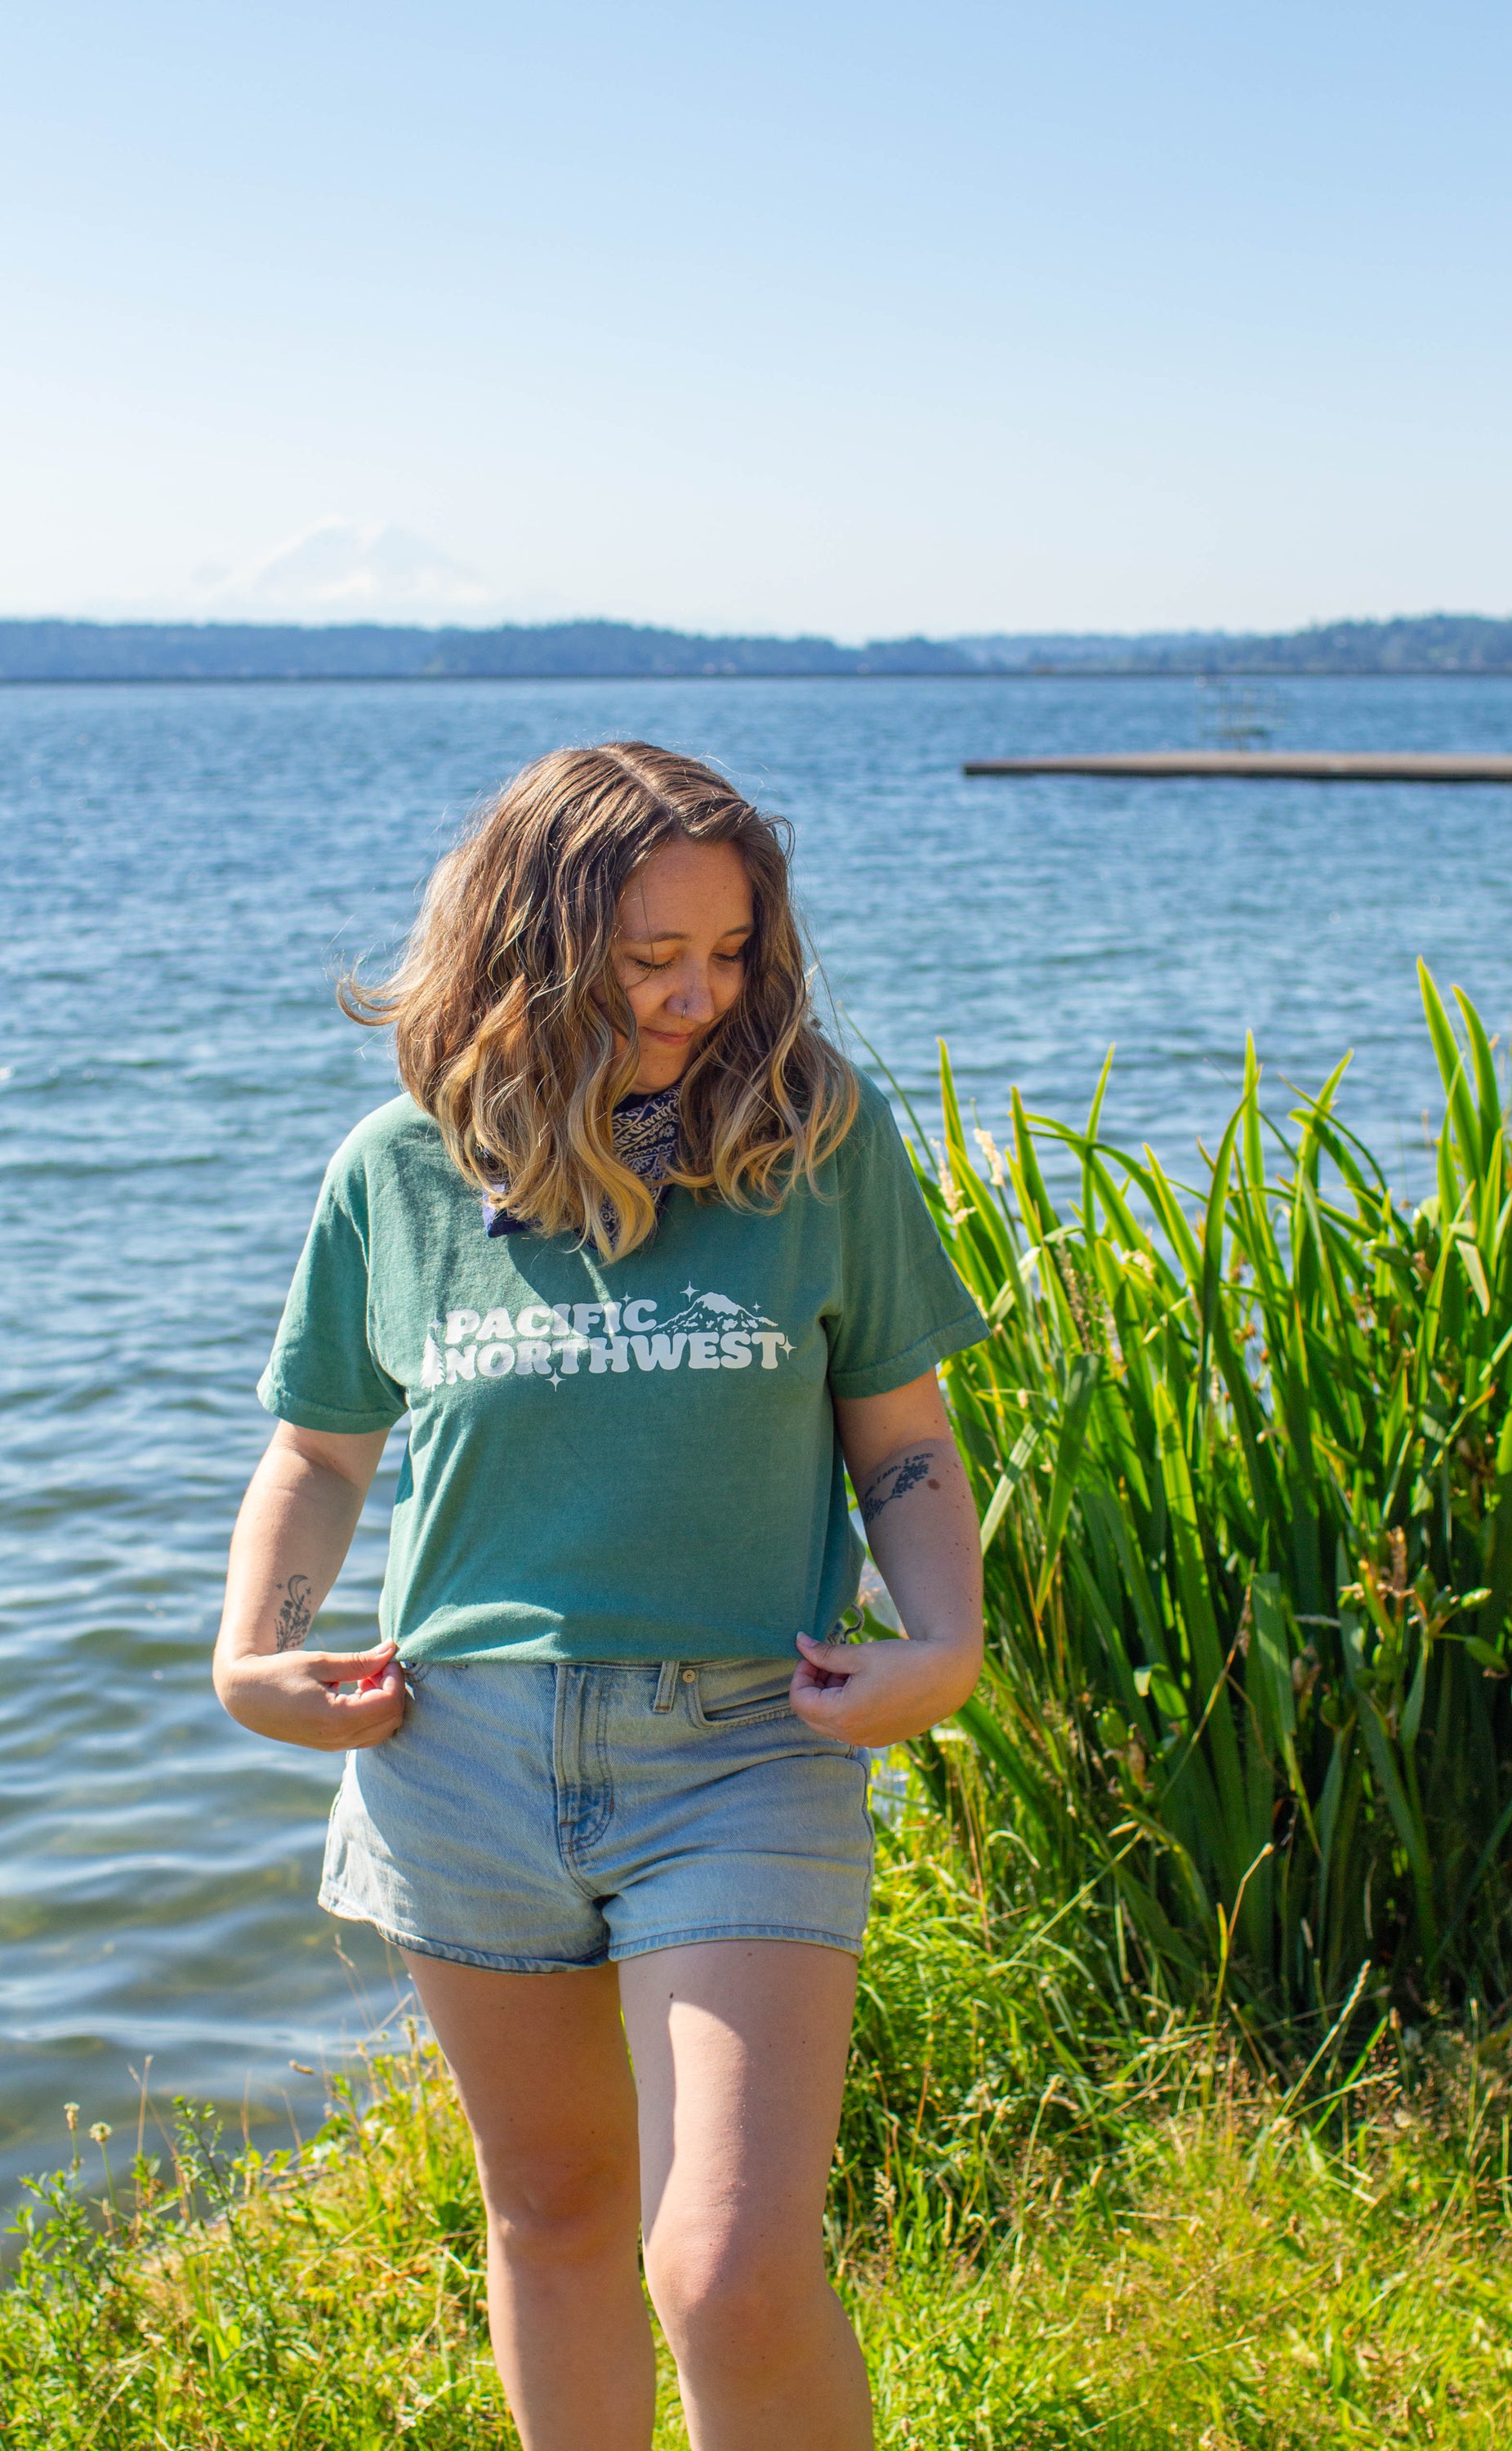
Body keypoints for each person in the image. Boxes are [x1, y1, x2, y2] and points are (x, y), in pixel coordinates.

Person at [212, 741, 987, 2451]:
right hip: (457, 1755)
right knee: (554, 2218)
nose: (702, 996)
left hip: (741, 1744)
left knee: (723, 2263)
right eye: (654, 960)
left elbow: (904, 1446)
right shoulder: (398, 1168)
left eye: (732, 953)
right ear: (532, 942)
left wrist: (942, 1645)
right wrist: (251, 1652)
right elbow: (322, 1456)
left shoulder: (814, 1138)